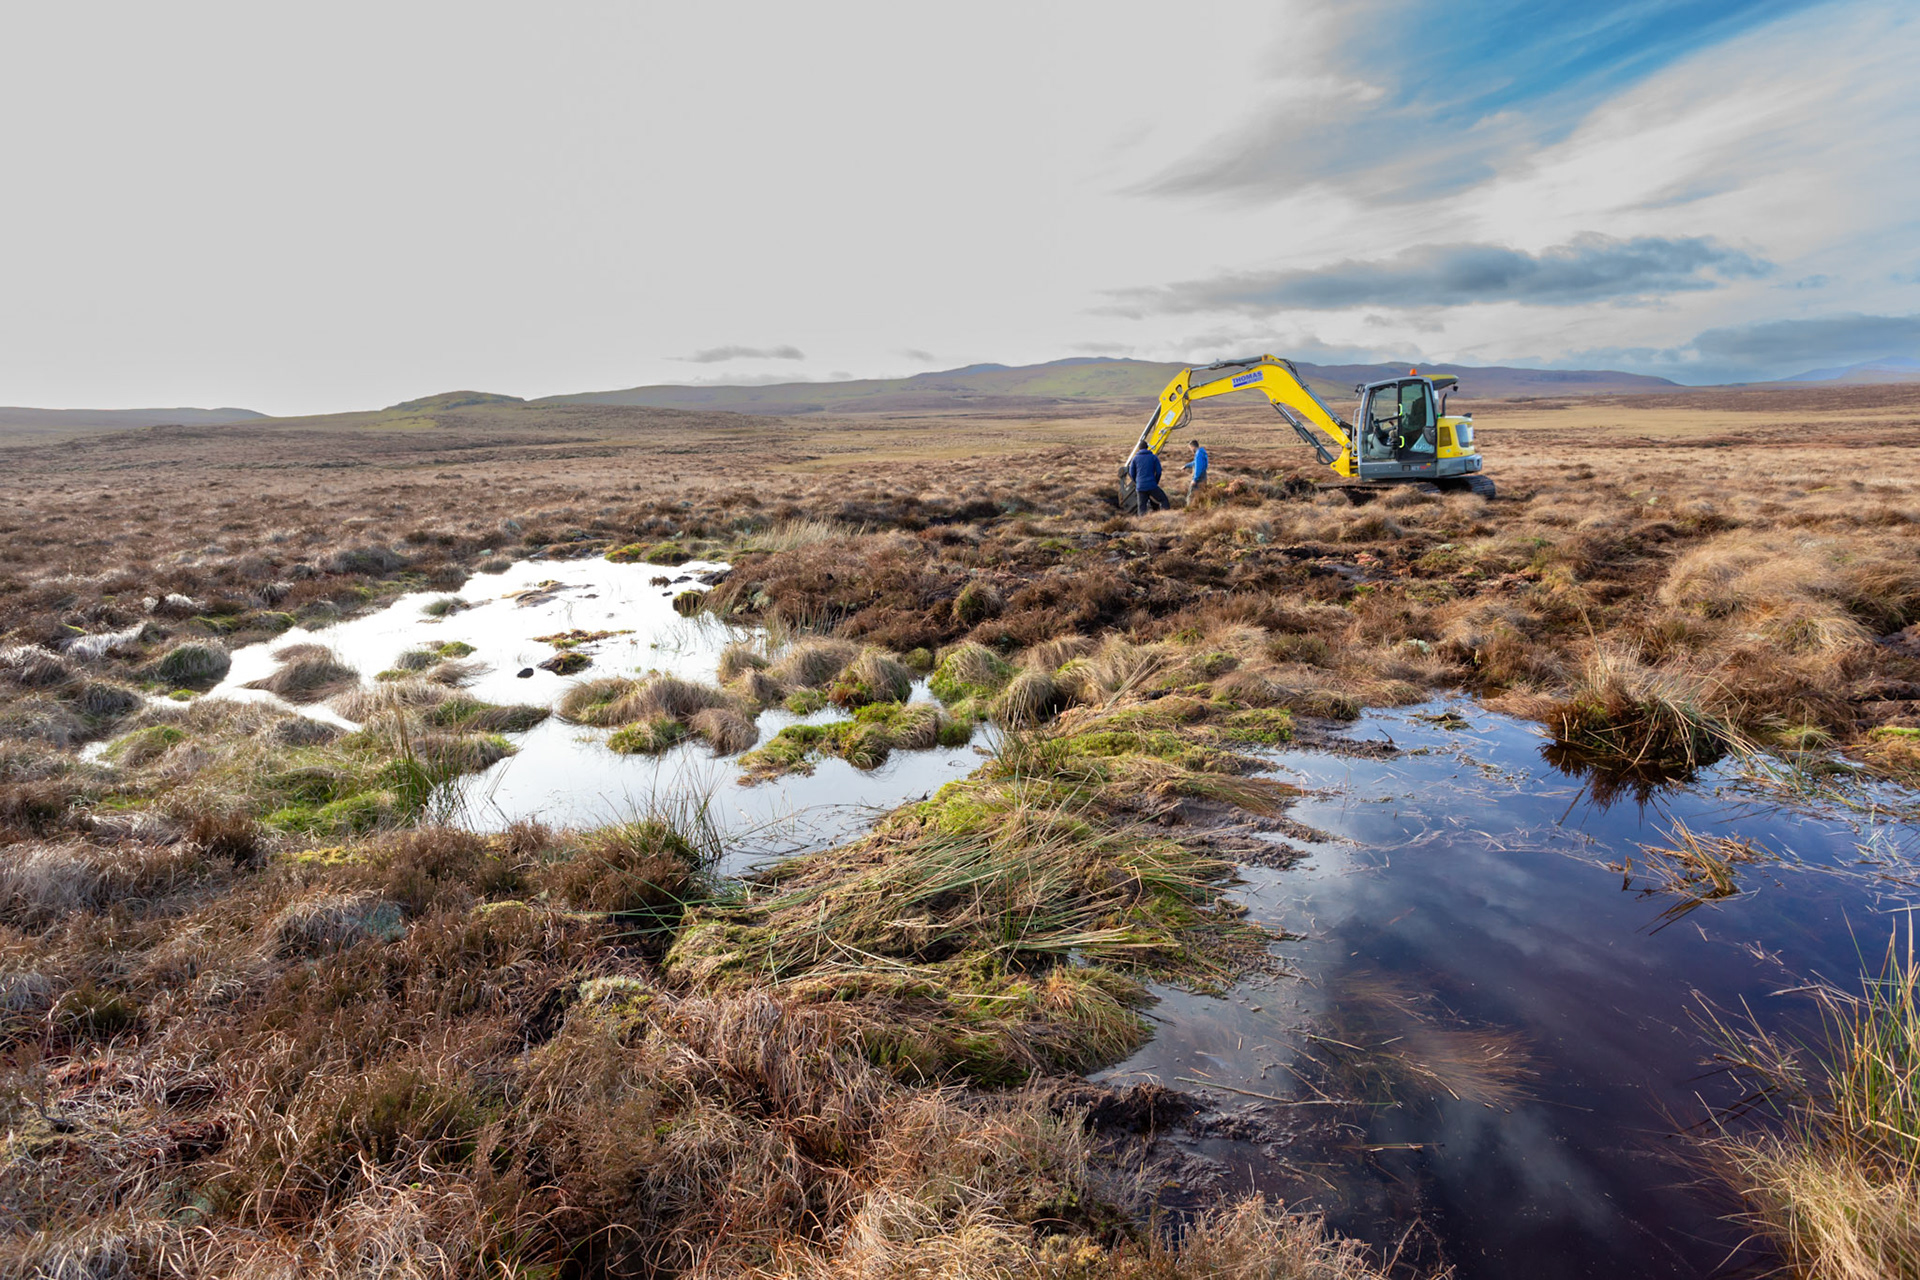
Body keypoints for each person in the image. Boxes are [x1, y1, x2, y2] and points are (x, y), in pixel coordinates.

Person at [1127, 447, 1169, 515]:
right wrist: (1155, 482)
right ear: (1147, 448)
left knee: (1142, 507)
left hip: (1140, 487)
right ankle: (1165, 516)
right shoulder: (1153, 457)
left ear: (1139, 449)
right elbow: (1159, 472)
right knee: (1163, 500)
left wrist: (1137, 482)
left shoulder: (1135, 458)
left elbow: (1131, 473)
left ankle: (1142, 522)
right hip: (1152, 485)